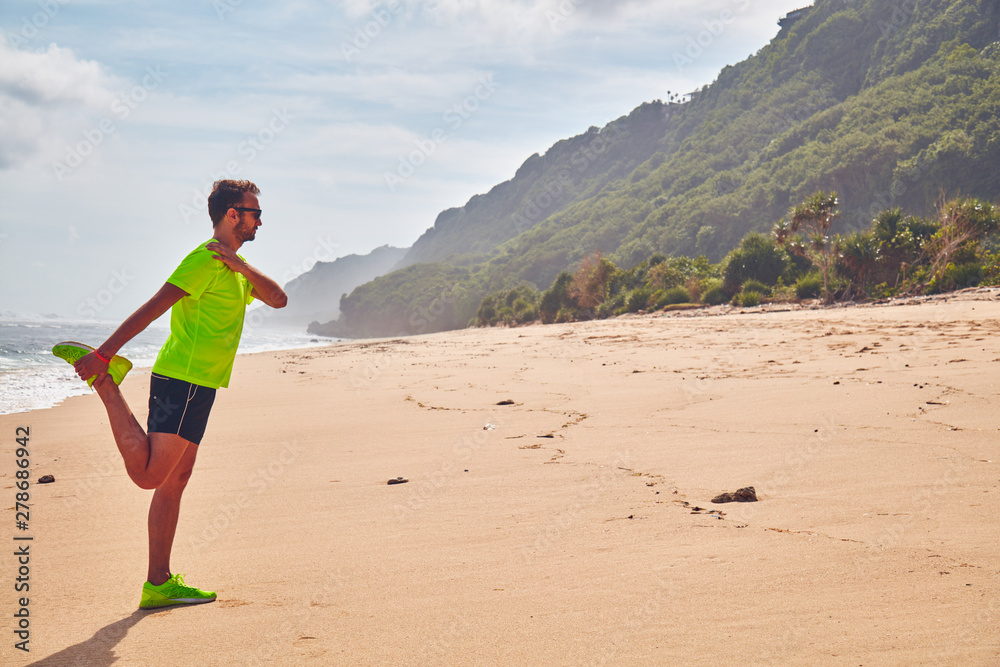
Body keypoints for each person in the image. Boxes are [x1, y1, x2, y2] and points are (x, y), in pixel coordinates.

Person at [57, 179, 287, 609]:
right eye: (254, 212)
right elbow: (155, 305)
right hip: (182, 380)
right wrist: (105, 355)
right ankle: (105, 382)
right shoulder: (203, 261)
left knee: (176, 481)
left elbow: (279, 299)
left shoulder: (234, 268)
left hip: (202, 385)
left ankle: (158, 583)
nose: (260, 220)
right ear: (232, 214)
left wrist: (241, 268)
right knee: (150, 476)